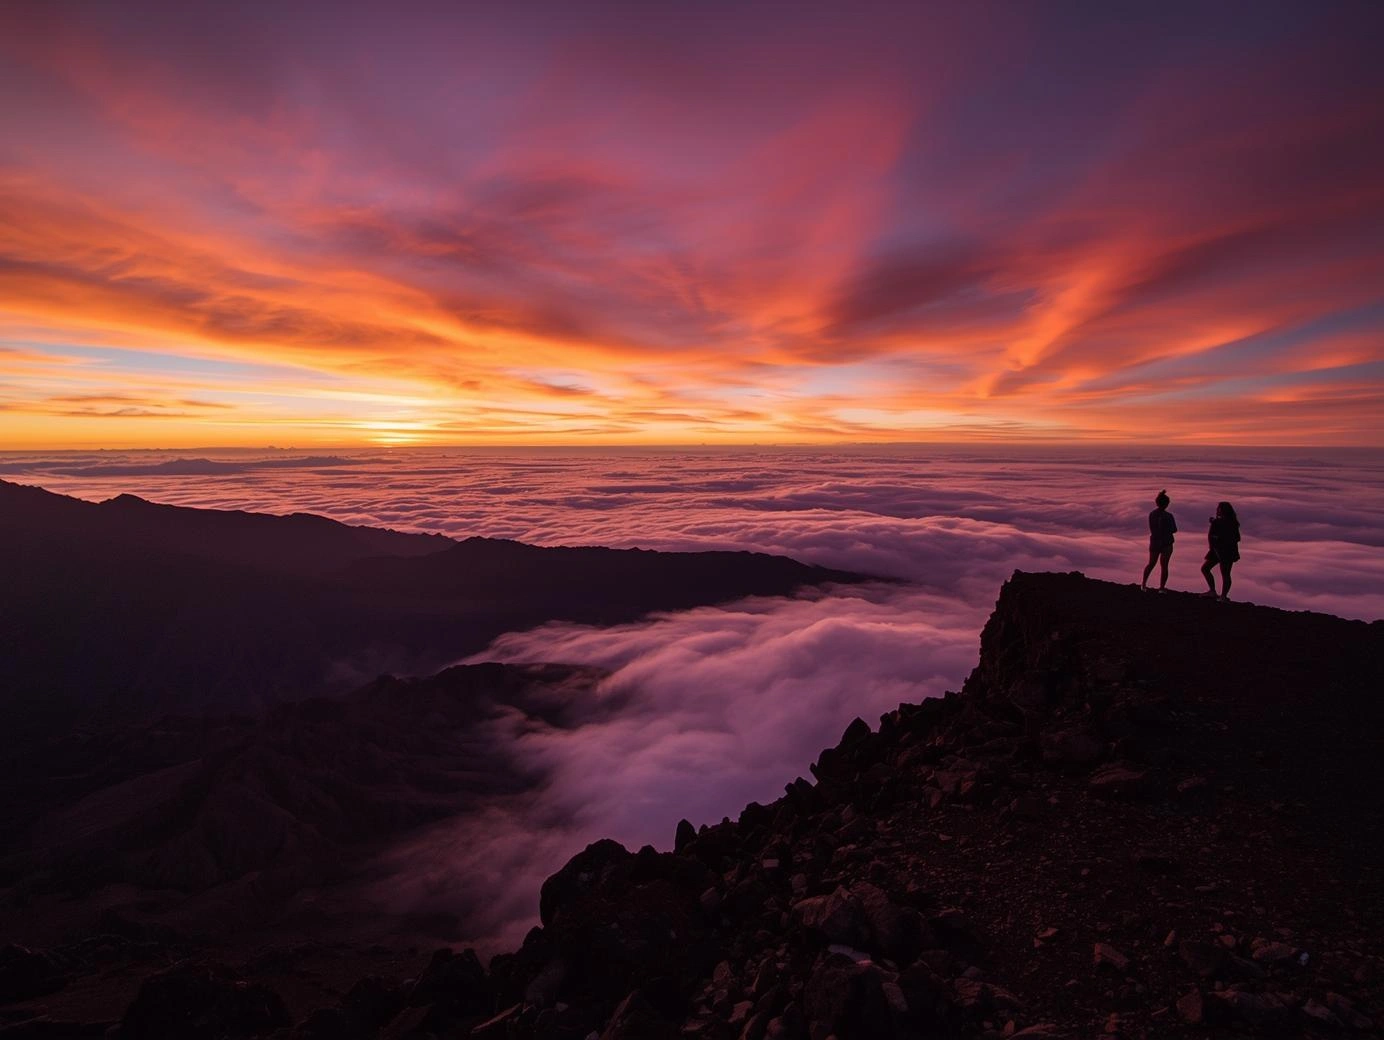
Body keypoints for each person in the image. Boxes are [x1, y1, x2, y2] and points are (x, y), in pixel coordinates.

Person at [1201, 501, 1241, 600]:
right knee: (1223, 573)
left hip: (1220, 550)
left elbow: (1214, 536)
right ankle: (1220, 594)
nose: (1216, 510)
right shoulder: (1233, 523)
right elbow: (1237, 538)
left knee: (1219, 572)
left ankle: (1217, 593)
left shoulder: (1218, 522)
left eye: (1218, 508)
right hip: (1227, 550)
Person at [1141, 490, 1177, 591]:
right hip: (1167, 543)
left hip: (1155, 542)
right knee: (1164, 566)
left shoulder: (1152, 514)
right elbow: (1174, 529)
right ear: (1166, 504)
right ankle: (1161, 587)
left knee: (1151, 563)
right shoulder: (1168, 516)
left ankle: (1143, 584)